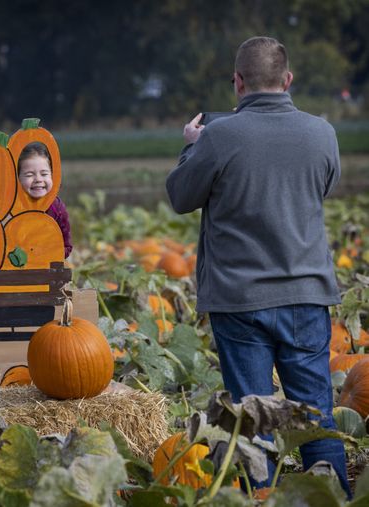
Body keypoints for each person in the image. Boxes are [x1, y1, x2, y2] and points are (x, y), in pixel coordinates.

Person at [166, 36, 348, 495]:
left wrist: (192, 147)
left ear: (238, 82)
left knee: (251, 423)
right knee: (317, 419)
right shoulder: (322, 132)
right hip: (306, 295)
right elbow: (323, 187)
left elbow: (181, 197)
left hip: (239, 300)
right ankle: (333, 498)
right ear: (287, 81)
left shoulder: (219, 136)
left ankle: (259, 500)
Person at [17, 142, 72, 257]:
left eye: (44, 174)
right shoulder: (12, 207)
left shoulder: (57, 208)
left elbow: (66, 245)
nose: (38, 179)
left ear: (53, 175)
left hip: (49, 266)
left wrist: (49, 254)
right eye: (29, 175)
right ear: (17, 178)